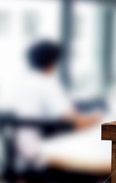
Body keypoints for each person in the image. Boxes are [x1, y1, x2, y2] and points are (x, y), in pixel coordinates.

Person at [13, 41, 102, 170]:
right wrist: (99, 118)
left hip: (17, 154)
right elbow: (76, 121)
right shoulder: (48, 84)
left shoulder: (20, 83)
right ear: (53, 63)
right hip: (41, 153)